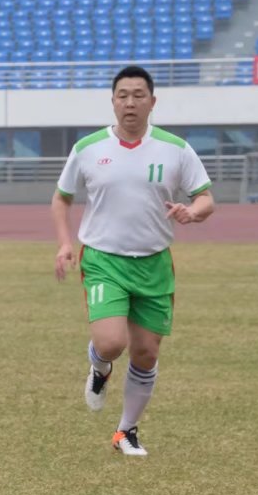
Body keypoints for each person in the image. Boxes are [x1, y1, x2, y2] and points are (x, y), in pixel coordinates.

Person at [52, 65, 213, 457]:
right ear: (112, 102)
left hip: (154, 262)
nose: (130, 102)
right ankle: (99, 367)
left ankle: (125, 431)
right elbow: (62, 198)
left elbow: (206, 198)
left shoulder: (175, 148)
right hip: (105, 259)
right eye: (122, 95)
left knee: (146, 353)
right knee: (110, 343)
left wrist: (194, 212)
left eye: (138, 95)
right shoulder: (88, 148)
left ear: (152, 102)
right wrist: (64, 243)